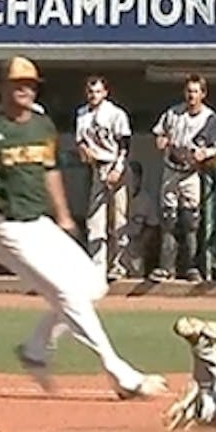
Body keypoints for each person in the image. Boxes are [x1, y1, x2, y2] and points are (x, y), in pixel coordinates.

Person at [0, 55, 167, 400]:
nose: (26, 90)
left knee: (94, 285)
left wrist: (63, 215)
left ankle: (35, 350)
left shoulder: (41, 125)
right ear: (2, 88)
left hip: (41, 223)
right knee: (69, 294)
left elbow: (50, 171)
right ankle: (120, 373)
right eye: (19, 84)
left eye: (31, 84)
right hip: (9, 229)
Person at [152, 73, 216, 283]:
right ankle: (166, 267)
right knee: (168, 217)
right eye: (188, 91)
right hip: (171, 168)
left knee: (191, 219)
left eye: (195, 92)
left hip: (192, 171)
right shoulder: (173, 113)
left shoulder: (210, 118)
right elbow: (160, 133)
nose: (191, 96)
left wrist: (207, 153)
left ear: (203, 94)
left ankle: (192, 267)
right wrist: (161, 140)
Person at [74, 76, 132, 281]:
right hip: (95, 168)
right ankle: (97, 266)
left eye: (97, 91)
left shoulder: (115, 113)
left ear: (105, 92)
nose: (93, 95)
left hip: (115, 165)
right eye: (90, 92)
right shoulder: (82, 114)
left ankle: (119, 265)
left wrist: (118, 168)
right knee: (95, 221)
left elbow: (125, 144)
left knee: (119, 221)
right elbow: (80, 140)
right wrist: (83, 150)